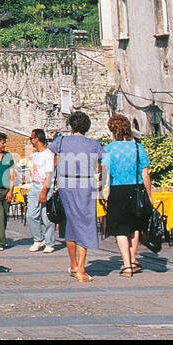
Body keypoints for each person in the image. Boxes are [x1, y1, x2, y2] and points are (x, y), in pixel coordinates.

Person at [50, 111, 103, 282]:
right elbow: (100, 167)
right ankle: (81, 269)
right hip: (85, 185)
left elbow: (54, 161)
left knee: (70, 224)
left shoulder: (62, 141)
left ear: (71, 126)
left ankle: (73, 264)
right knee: (85, 224)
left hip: (66, 184)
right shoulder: (94, 145)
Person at [101, 115, 152, 278]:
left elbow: (103, 173)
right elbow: (145, 174)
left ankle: (127, 265)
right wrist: (149, 196)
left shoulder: (108, 149)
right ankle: (134, 258)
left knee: (120, 228)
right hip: (136, 189)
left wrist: (101, 192)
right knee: (135, 226)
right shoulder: (138, 148)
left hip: (118, 191)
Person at [26, 130, 57, 253]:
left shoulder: (48, 154)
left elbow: (49, 174)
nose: (30, 140)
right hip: (34, 185)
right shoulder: (35, 155)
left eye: (31, 138)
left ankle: (50, 242)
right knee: (31, 215)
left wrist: (44, 191)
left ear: (36, 139)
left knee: (47, 216)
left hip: (44, 186)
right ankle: (38, 239)